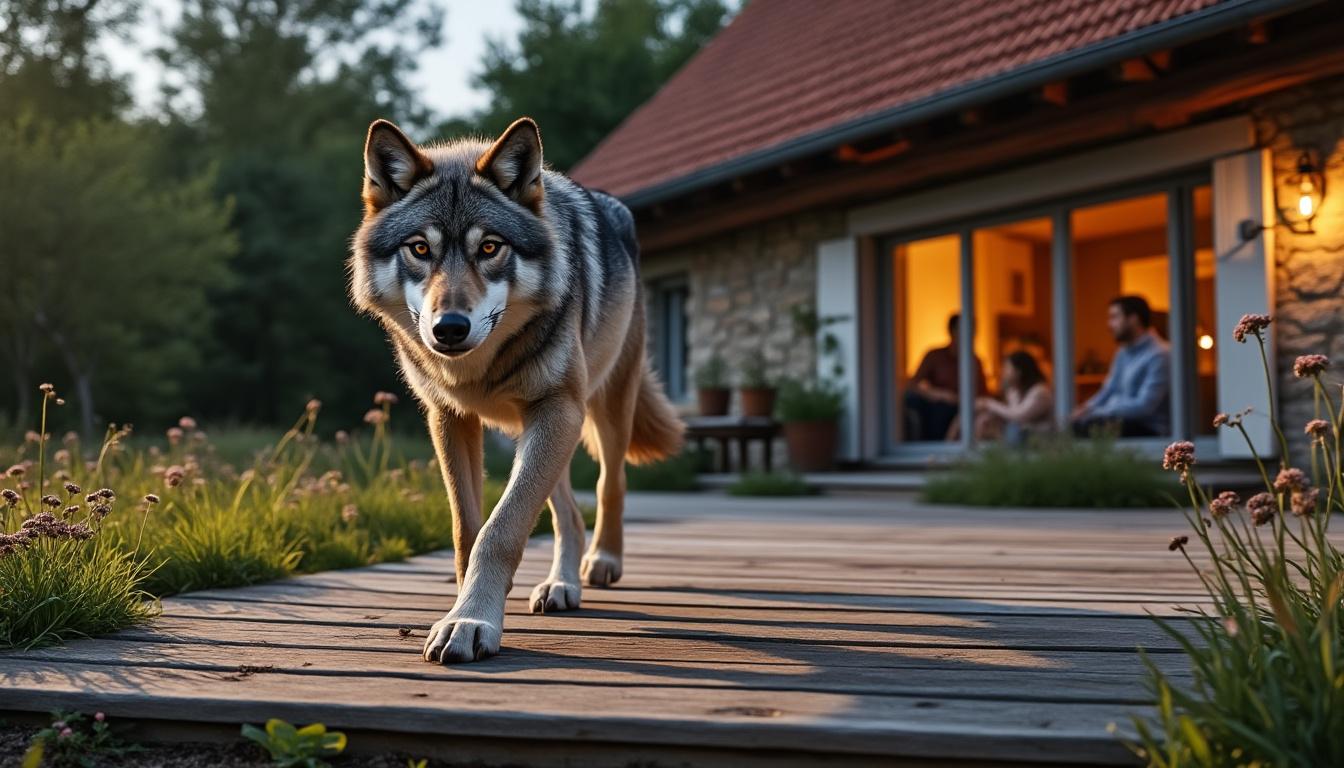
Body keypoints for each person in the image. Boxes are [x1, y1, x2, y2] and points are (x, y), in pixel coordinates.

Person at [1071, 295, 1170, 437]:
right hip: (1120, 421)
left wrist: (1100, 411)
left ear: (1133, 319)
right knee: (1076, 425)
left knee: (1088, 429)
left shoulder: (1160, 354)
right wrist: (1086, 408)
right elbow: (1109, 390)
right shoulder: (1123, 352)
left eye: (1114, 317)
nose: (1109, 325)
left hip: (1148, 430)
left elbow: (1145, 406)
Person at [904, 314, 987, 441]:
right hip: (938, 411)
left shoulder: (975, 361)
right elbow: (912, 385)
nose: (971, 334)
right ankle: (936, 447)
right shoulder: (934, 356)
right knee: (936, 409)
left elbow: (982, 394)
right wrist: (937, 394)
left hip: (965, 409)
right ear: (952, 331)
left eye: (973, 330)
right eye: (965, 329)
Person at [975, 351, 1054, 445]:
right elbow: (1011, 413)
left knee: (1013, 430)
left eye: (1007, 368)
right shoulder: (1015, 390)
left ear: (1018, 372)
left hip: (1041, 441)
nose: (1003, 372)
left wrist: (989, 404)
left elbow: (1018, 416)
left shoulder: (1040, 392)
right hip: (1025, 437)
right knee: (985, 419)